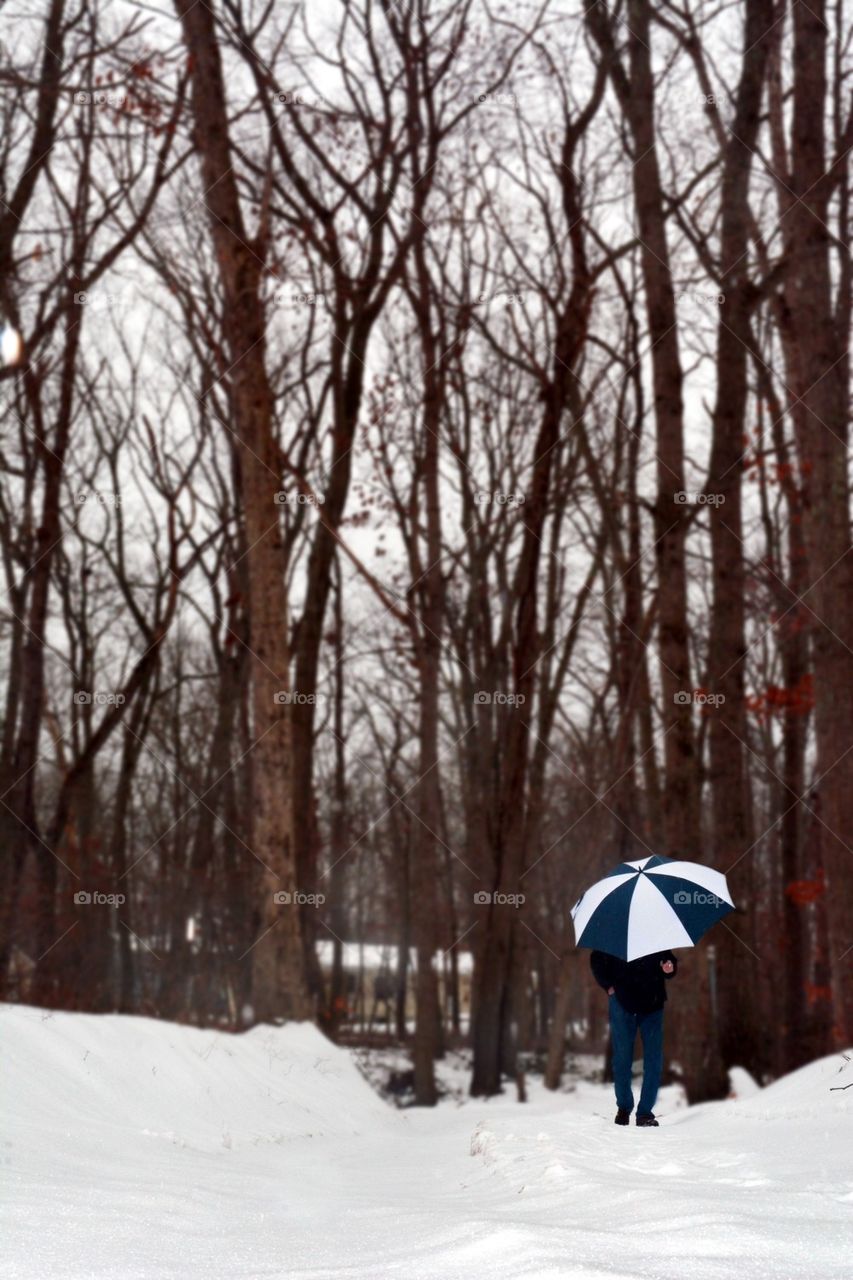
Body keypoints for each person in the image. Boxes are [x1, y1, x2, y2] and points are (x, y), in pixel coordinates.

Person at [590, 949, 678, 1127]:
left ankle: (645, 1113)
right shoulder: (613, 928)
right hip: (622, 1002)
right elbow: (597, 958)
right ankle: (624, 1107)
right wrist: (608, 985)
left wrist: (669, 967)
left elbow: (668, 958)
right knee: (622, 1059)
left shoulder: (656, 930)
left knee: (654, 1060)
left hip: (653, 1002)